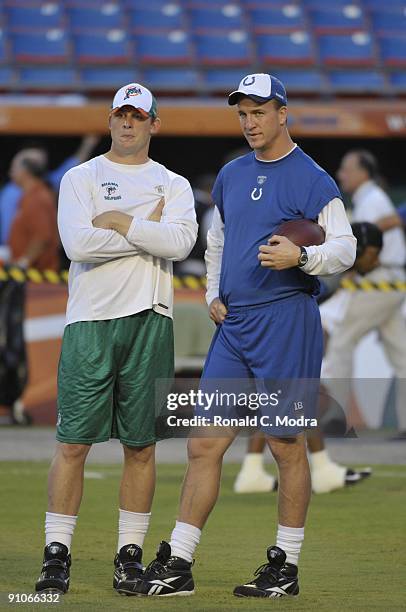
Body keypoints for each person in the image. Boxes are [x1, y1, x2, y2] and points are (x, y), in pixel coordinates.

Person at [133, 73, 356, 599]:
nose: (250, 121)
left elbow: (343, 248)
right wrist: (214, 291)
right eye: (243, 113)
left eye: (259, 111)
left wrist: (302, 257)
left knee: (285, 444)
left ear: (283, 113)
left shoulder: (314, 179)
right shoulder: (232, 175)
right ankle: (179, 563)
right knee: (205, 444)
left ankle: (285, 566)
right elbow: (217, 241)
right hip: (235, 325)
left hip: (286, 320)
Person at [34, 82, 197, 596]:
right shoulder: (82, 177)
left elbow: (182, 241)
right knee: (73, 443)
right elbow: (77, 243)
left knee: (141, 447)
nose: (128, 123)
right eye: (120, 115)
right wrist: (144, 229)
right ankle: (56, 557)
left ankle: (129, 557)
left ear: (154, 123)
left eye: (138, 115)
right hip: (90, 322)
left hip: (152, 319)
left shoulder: (174, 183)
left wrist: (121, 221)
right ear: (110, 120)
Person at [234, 221, 383, 495]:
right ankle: (264, 470)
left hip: (286, 326)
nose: (377, 260)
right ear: (361, 249)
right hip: (287, 327)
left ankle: (260, 469)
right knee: (291, 397)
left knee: (292, 397)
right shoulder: (331, 268)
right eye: (374, 253)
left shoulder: (336, 268)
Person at [322, 151, 406, 440]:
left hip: (378, 281)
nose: (341, 174)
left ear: (363, 173)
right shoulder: (369, 199)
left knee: (342, 343)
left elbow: (380, 235)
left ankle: (336, 419)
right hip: (389, 281)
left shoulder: (371, 200)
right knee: (402, 354)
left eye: (346, 169)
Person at [0, 150, 60, 425]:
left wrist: (24, 262)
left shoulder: (37, 198)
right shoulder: (29, 197)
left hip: (34, 286)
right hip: (27, 281)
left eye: (15, 166)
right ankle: (15, 403)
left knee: (20, 346)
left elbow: (44, 235)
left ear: (26, 170)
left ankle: (22, 403)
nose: (11, 172)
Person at [0, 136, 99, 246]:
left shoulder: (45, 187)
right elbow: (8, 232)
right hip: (16, 252)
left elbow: (70, 169)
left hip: (32, 254)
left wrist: (88, 143)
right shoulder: (10, 193)